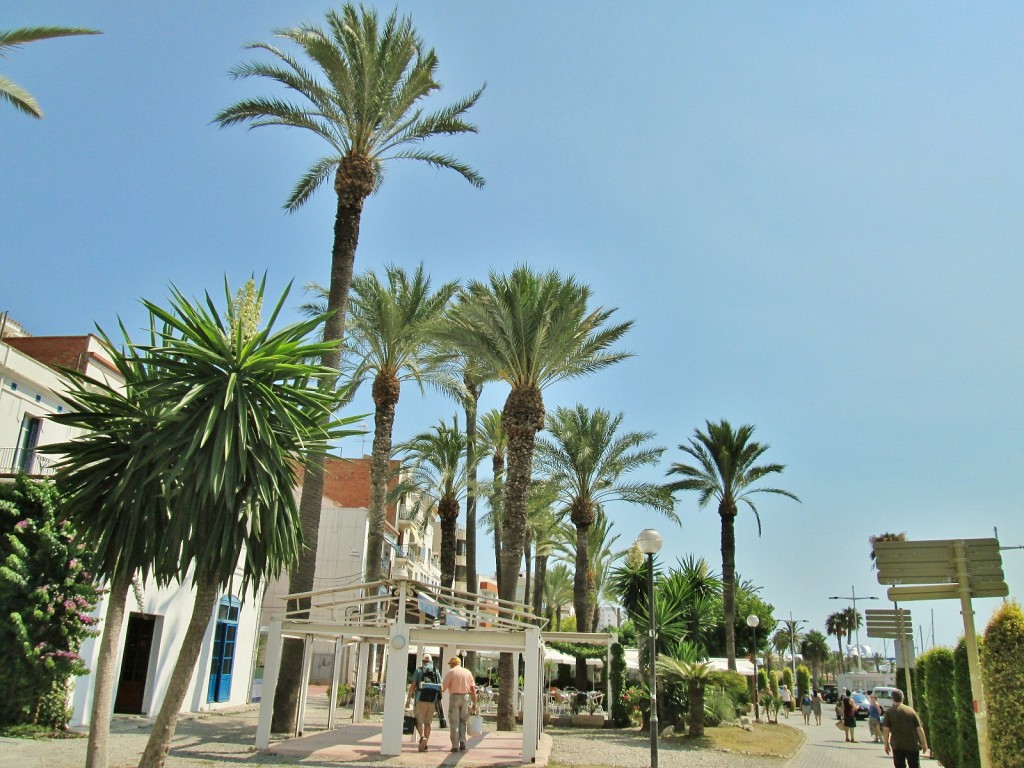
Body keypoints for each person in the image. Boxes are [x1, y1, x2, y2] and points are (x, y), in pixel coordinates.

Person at [882, 689, 928, 768]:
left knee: (899, 765)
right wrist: (924, 743)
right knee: (914, 765)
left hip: (897, 744)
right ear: (903, 698)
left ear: (892, 699)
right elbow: (919, 729)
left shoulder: (889, 712)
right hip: (912, 744)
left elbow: (886, 730)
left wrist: (886, 744)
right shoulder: (910, 711)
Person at [441, 655, 478, 753]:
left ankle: (455, 745)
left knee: (454, 722)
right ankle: (462, 741)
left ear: (453, 664)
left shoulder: (451, 672)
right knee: (463, 720)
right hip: (466, 697)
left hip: (455, 697)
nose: (450, 666)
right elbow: (473, 689)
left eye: (450, 664)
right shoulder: (468, 672)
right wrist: (475, 703)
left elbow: (443, 687)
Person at [406, 652, 441, 752]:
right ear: (431, 661)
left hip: (420, 699)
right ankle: (425, 744)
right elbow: (441, 687)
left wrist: (408, 700)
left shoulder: (419, 670)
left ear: (423, 661)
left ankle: (422, 737)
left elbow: (413, 685)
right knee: (428, 723)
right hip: (432, 701)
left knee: (418, 721)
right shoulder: (436, 671)